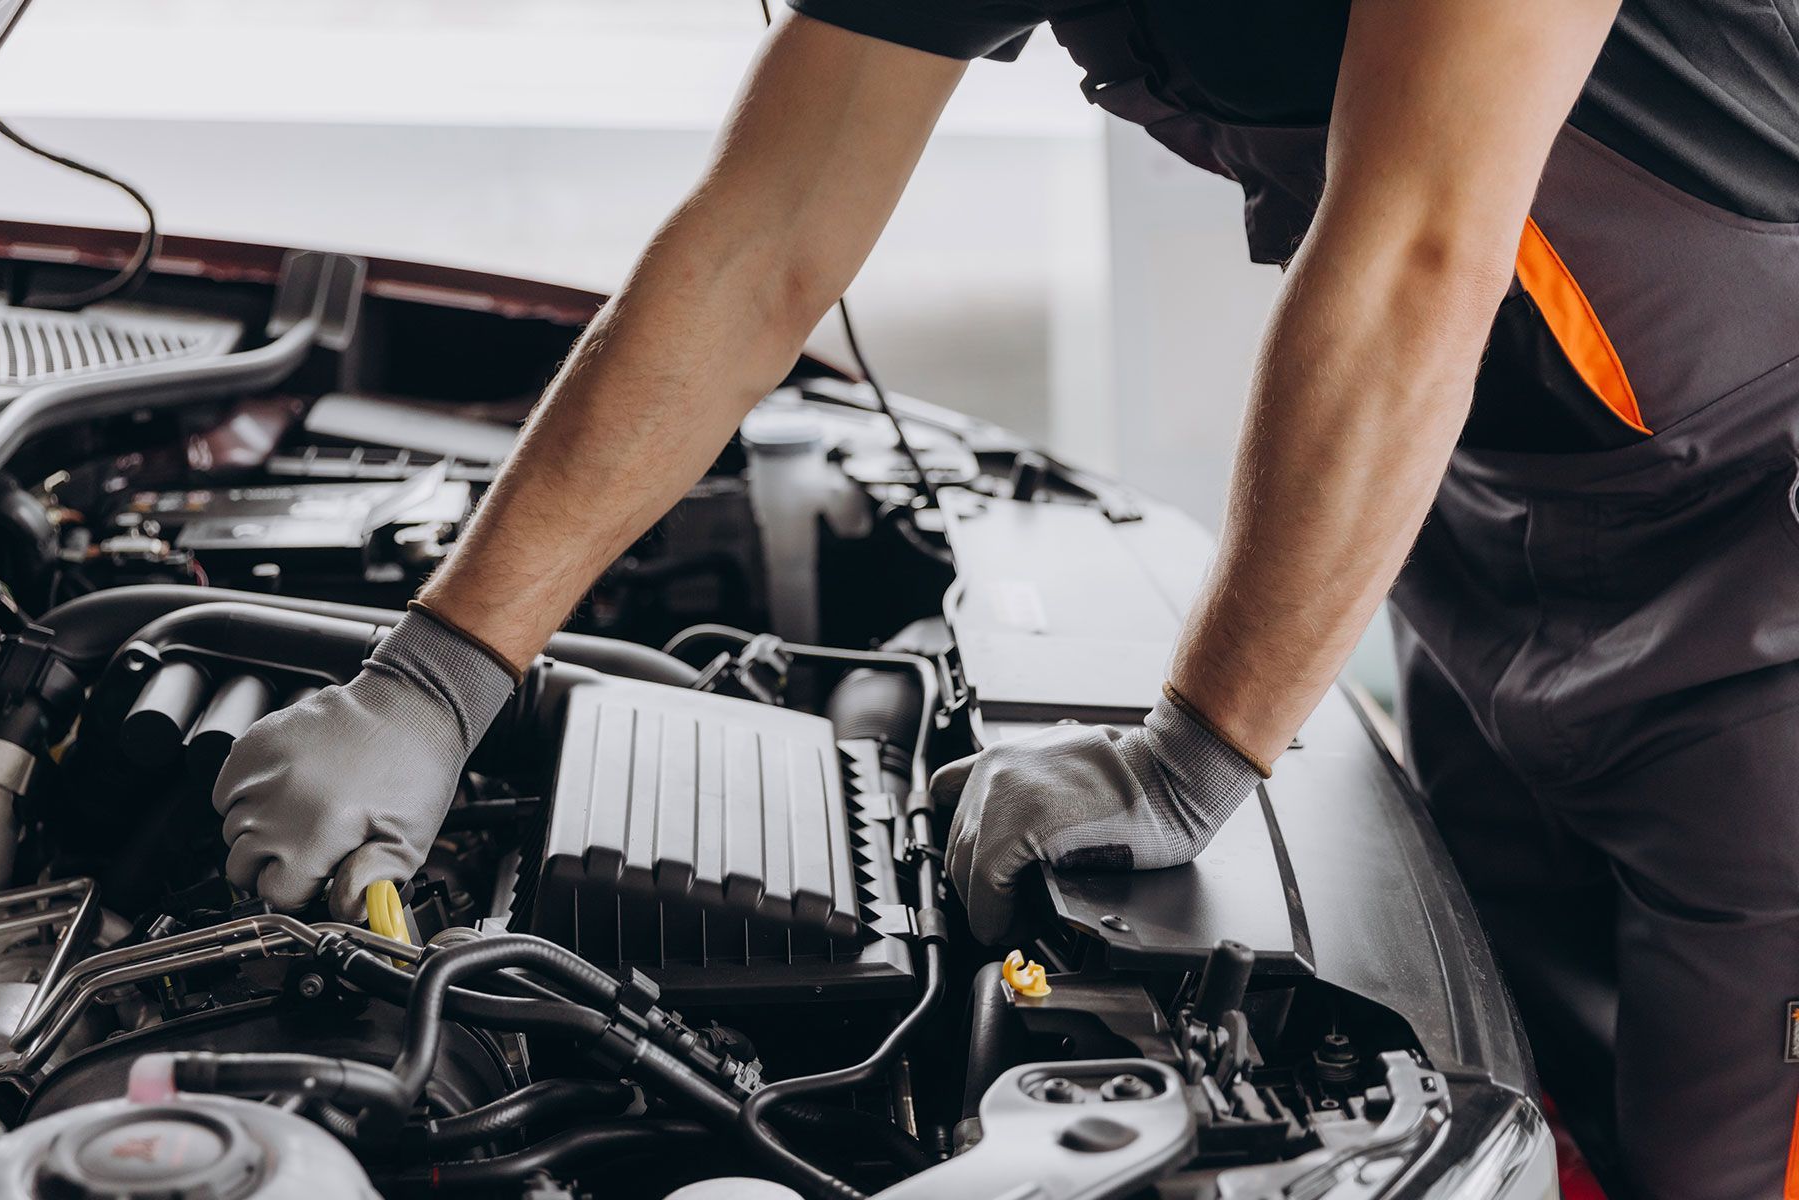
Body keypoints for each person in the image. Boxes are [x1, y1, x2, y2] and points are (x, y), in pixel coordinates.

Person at [213, 2, 1799, 1193]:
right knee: (1531, 1088)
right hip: (1476, 505)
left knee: (1722, 1152)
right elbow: (771, 225)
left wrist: (1192, 757)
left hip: (1760, 559)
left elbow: (1413, 257)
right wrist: (438, 670)